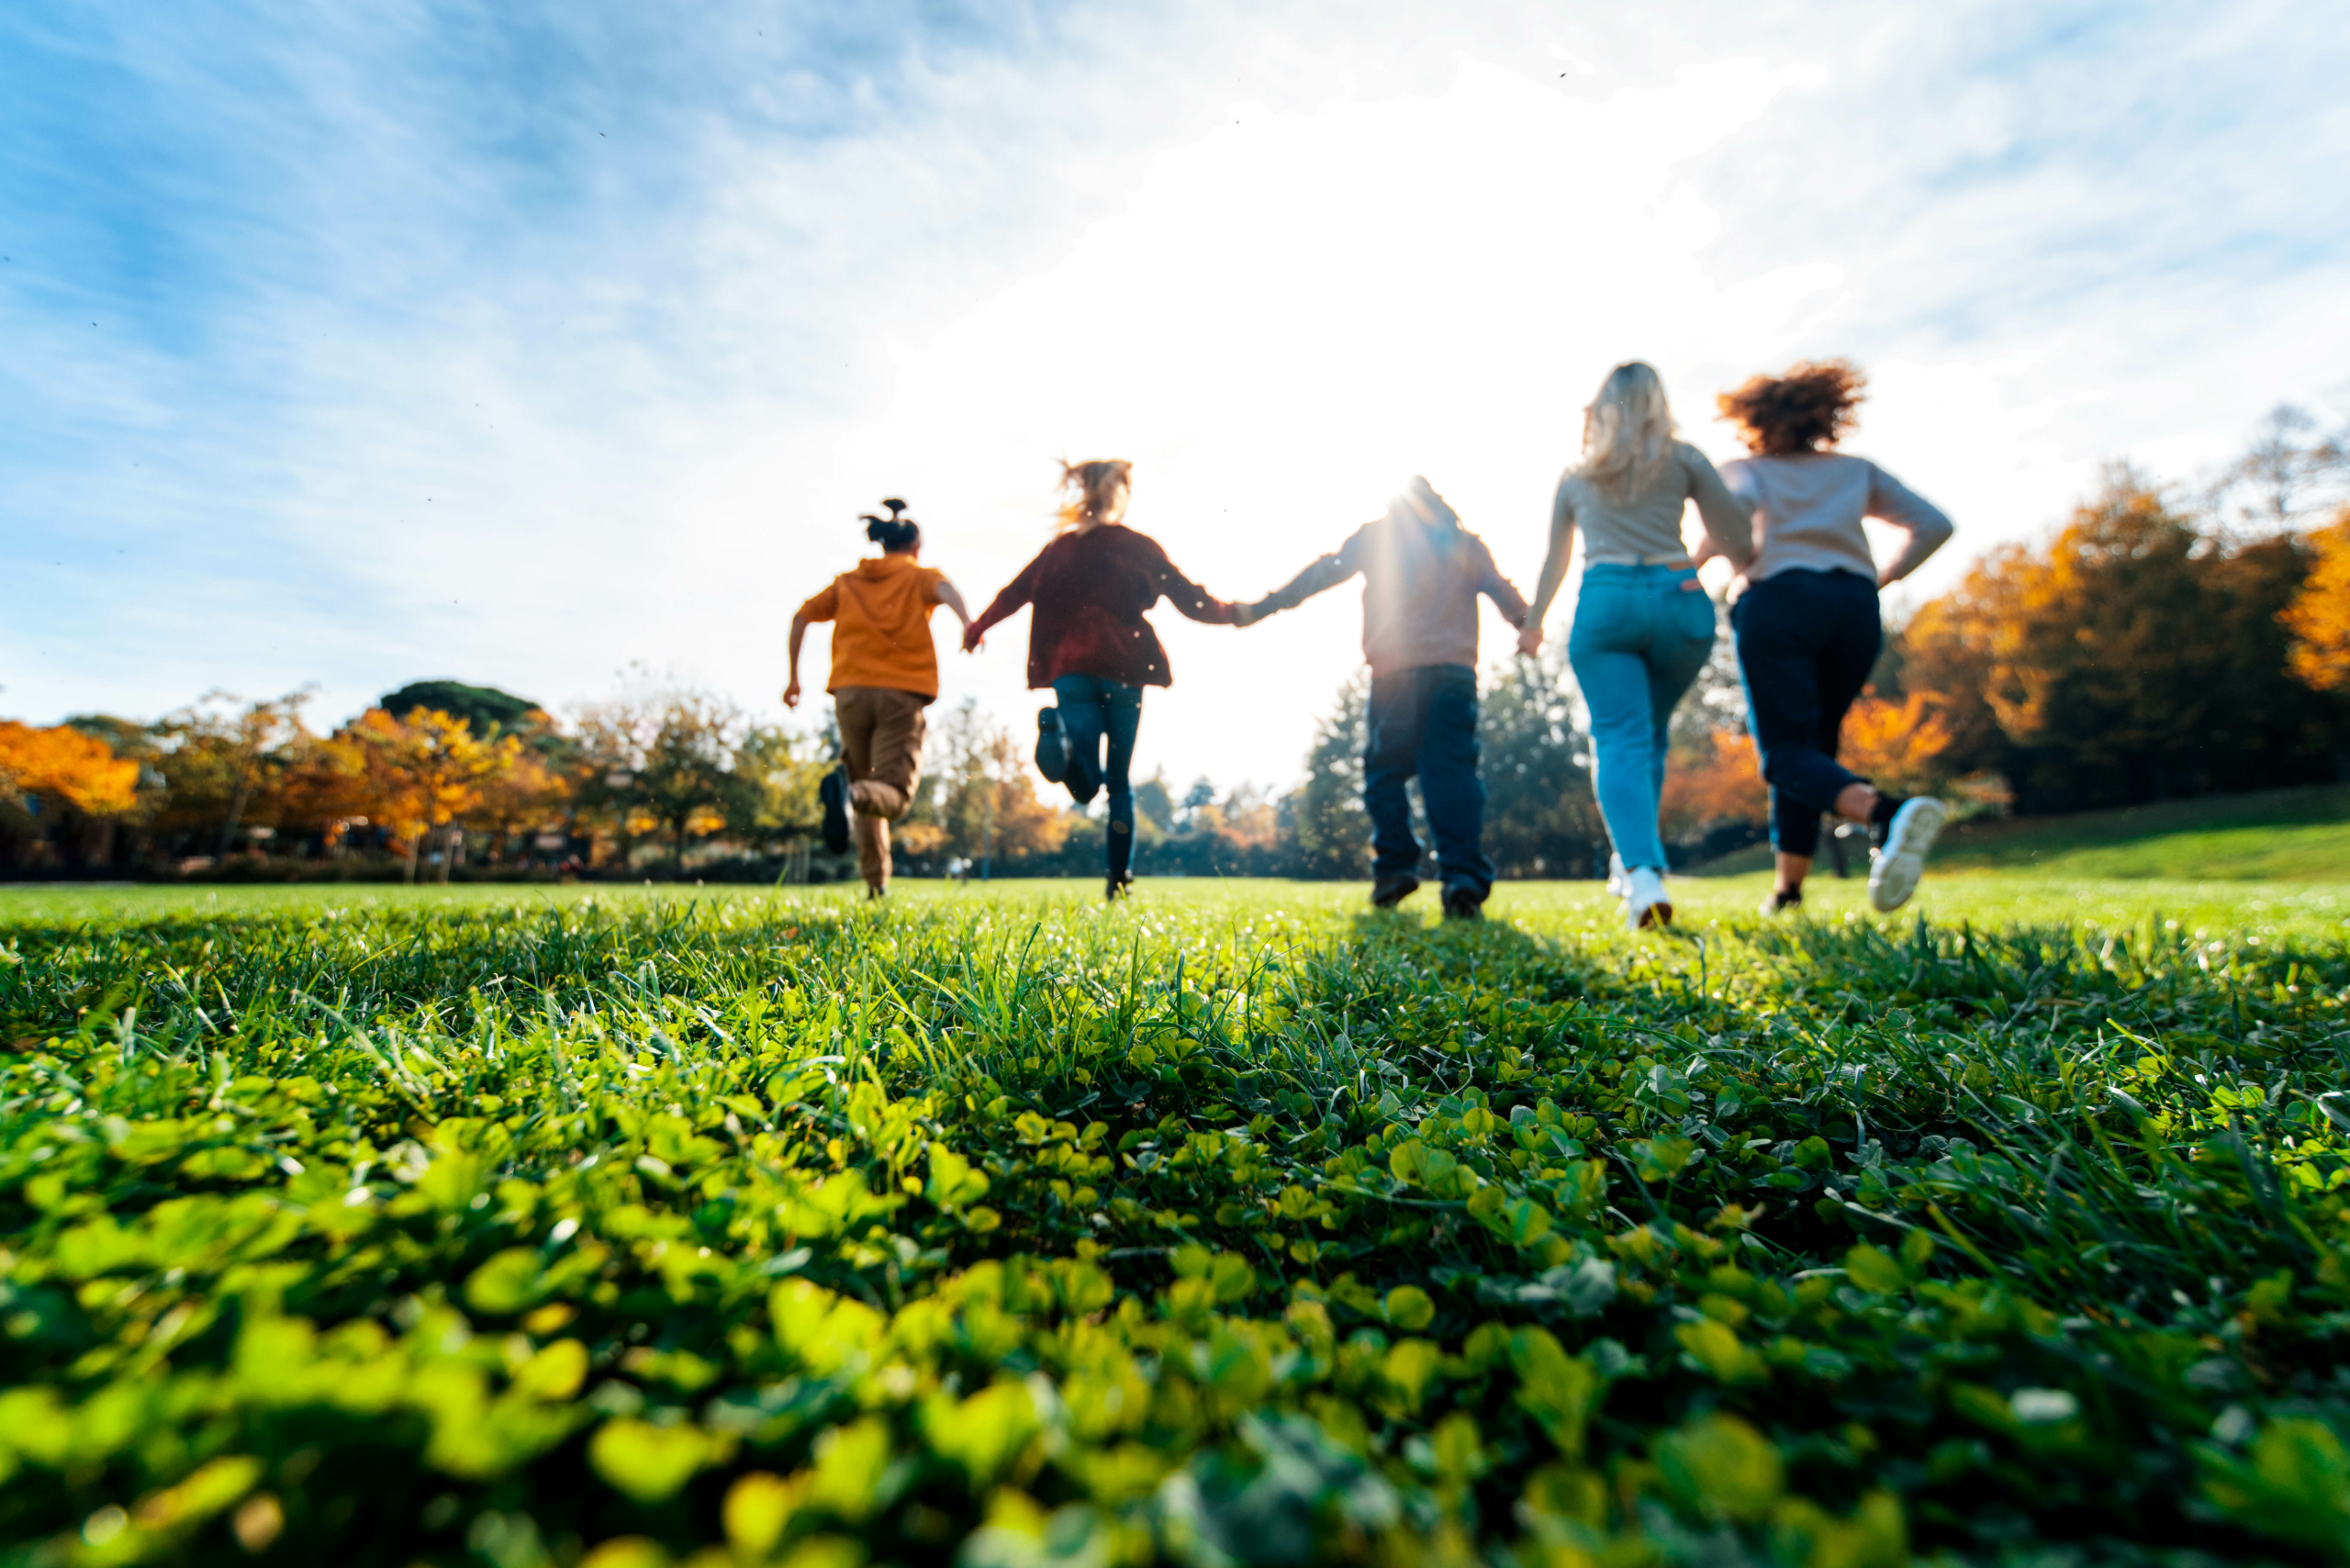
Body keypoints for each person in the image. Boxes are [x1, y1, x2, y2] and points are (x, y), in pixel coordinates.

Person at [1706, 360, 1953, 915]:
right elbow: (1935, 524)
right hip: (1854, 608)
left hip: (1777, 602)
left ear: (1755, 420)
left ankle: (1886, 814)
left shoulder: (1748, 469)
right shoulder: (1855, 470)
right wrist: (1884, 576)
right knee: (1811, 750)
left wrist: (1706, 561)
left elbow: (1732, 513)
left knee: (1785, 752)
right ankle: (1788, 891)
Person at [1517, 362, 1755, 932]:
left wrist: (1533, 624)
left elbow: (1555, 561)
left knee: (1621, 736)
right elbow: (1738, 540)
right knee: (1649, 735)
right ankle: (1632, 862)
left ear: (1601, 408)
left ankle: (1641, 873)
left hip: (1608, 600)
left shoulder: (1578, 476)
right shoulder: (1685, 458)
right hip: (1680, 599)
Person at [1247, 476, 1529, 920]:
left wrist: (1265, 606)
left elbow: (1325, 570)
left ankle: (1396, 867)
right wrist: (1526, 625)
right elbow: (1502, 590)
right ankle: (1461, 879)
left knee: (1384, 770)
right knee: (1452, 772)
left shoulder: (1376, 537)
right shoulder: (1463, 542)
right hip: (1454, 674)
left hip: (1395, 674)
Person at [963, 460, 1248, 900]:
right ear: (1120, 494)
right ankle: (1118, 878)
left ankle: (1060, 742)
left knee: (1084, 775)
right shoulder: (1136, 546)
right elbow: (1188, 598)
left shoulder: (1056, 551)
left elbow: (1012, 594)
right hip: (1124, 669)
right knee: (1118, 782)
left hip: (1070, 672)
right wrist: (1233, 614)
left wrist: (977, 627)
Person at [785, 499, 971, 899]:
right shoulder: (919, 575)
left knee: (867, 786)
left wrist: (794, 679)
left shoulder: (848, 581)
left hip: (850, 692)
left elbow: (801, 616)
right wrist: (969, 624)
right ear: (916, 547)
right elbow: (946, 591)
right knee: (893, 796)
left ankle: (875, 885)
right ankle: (847, 793)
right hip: (900, 693)